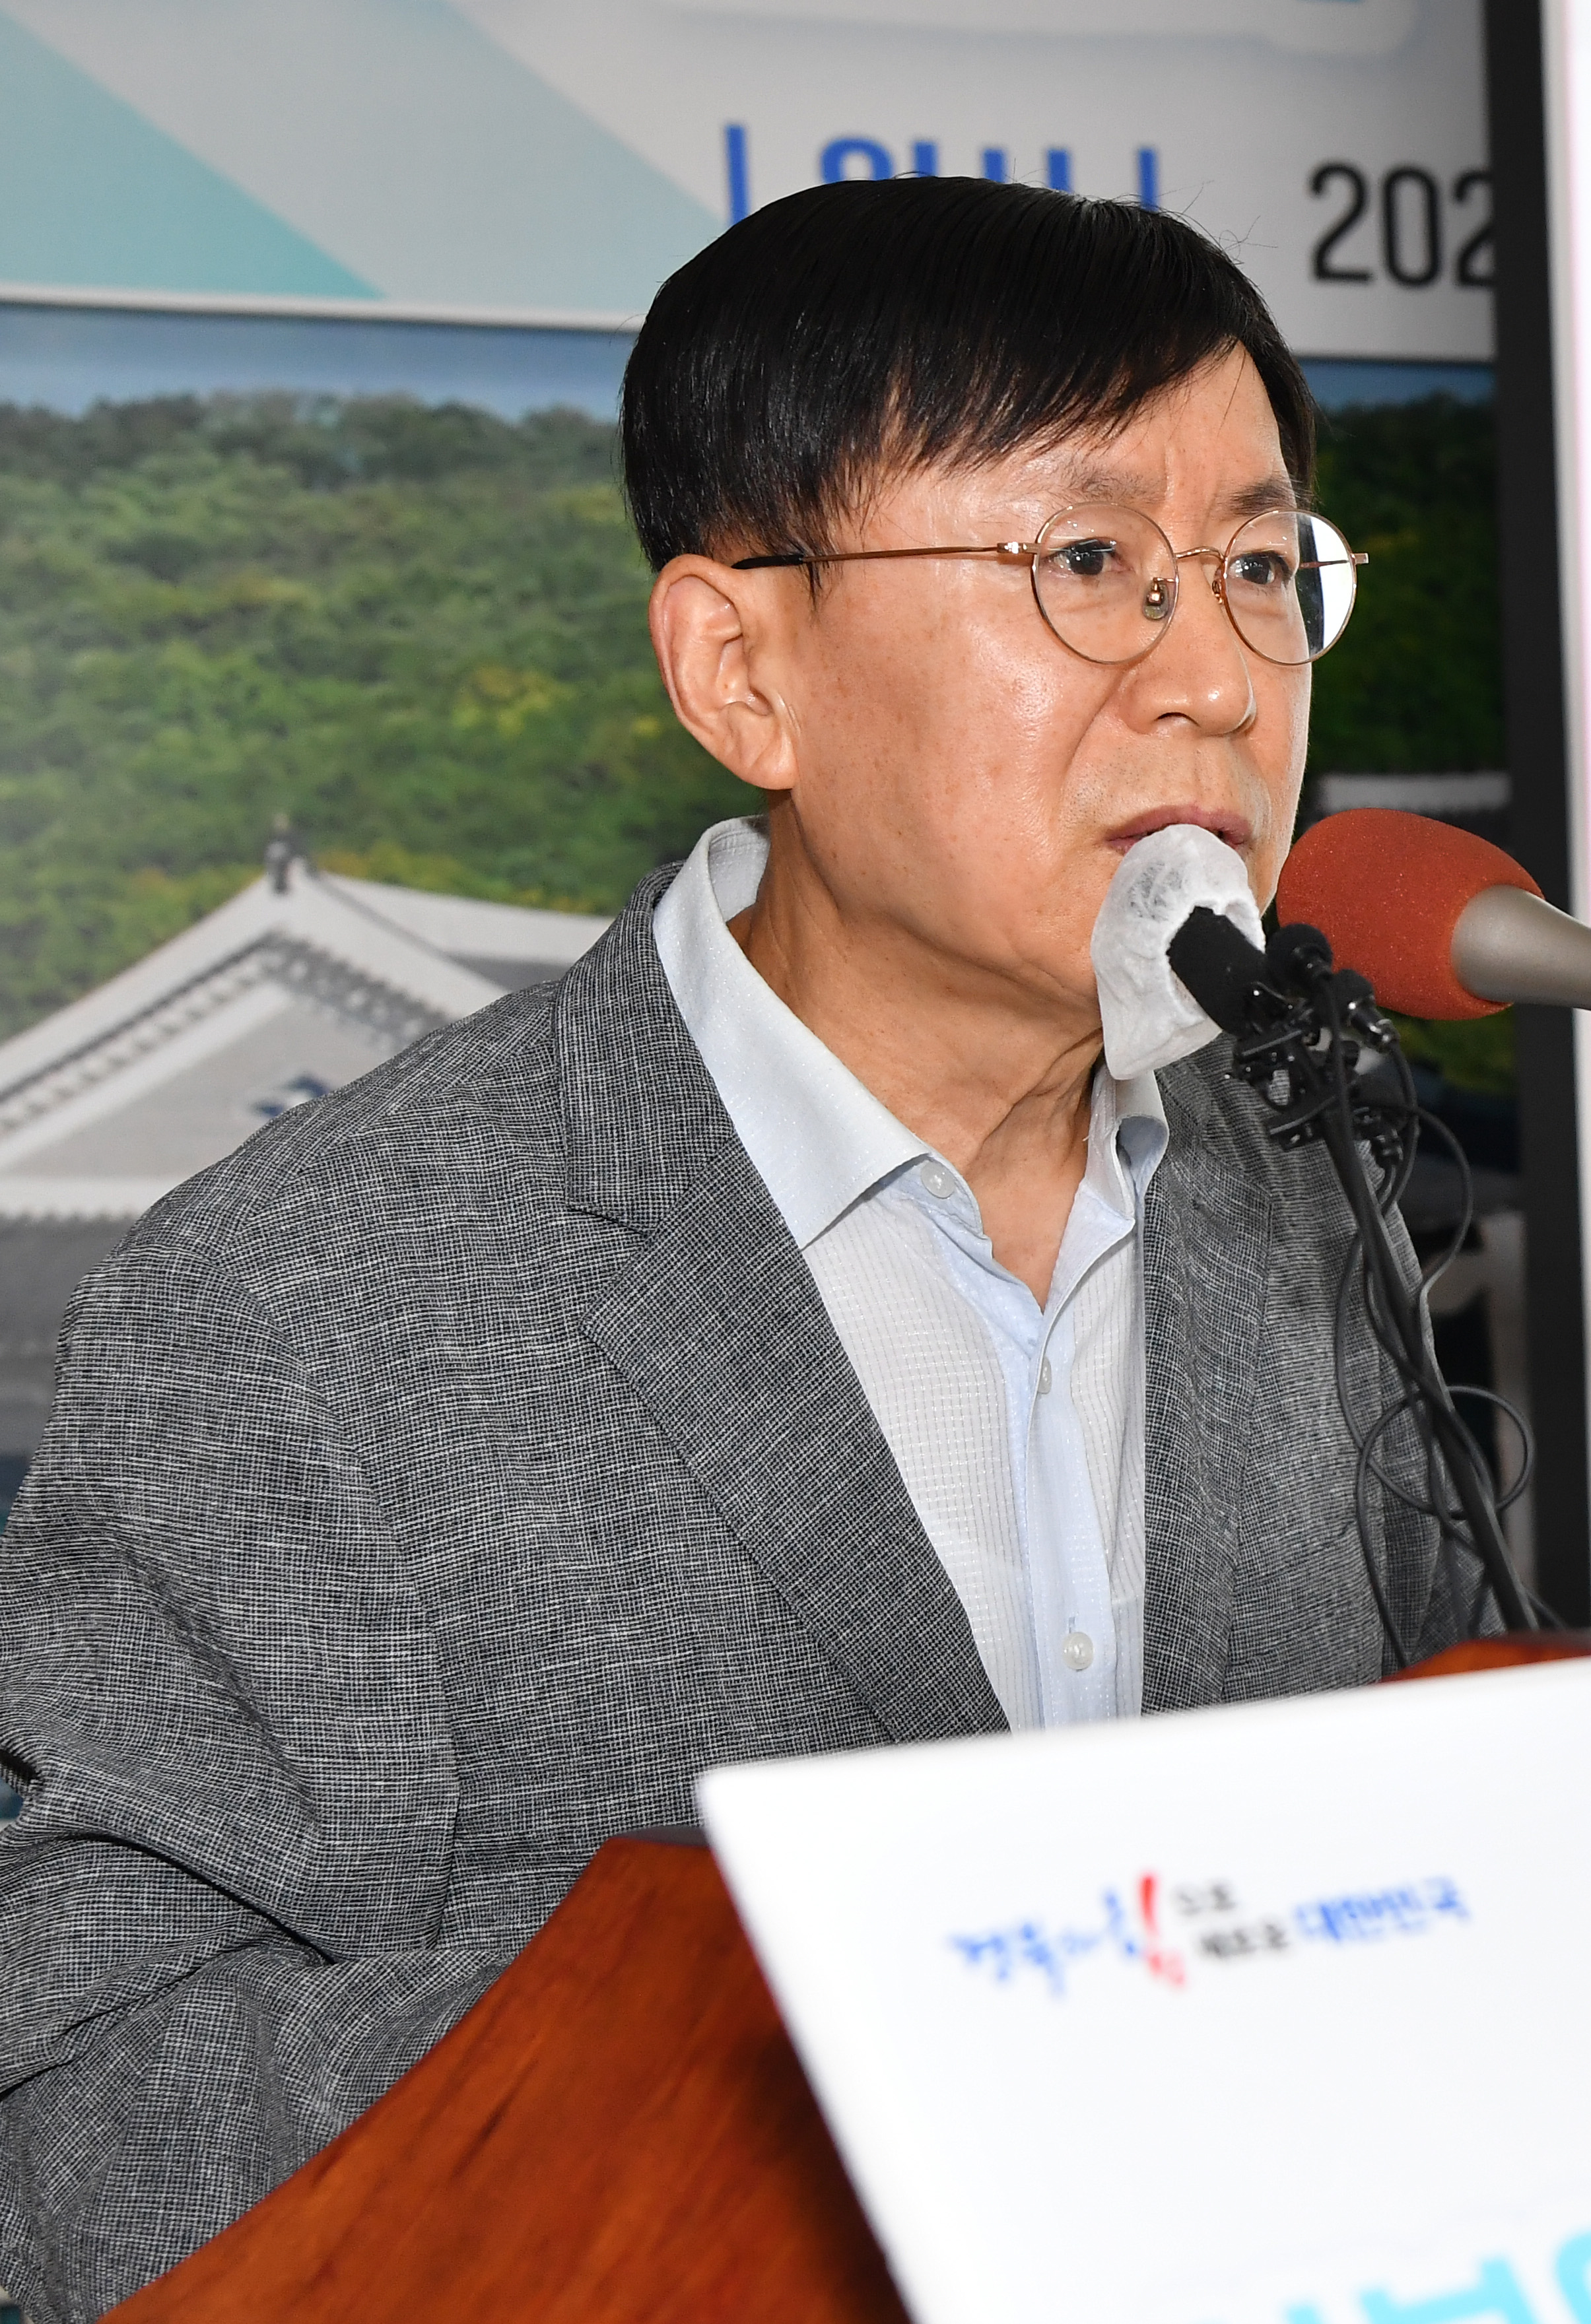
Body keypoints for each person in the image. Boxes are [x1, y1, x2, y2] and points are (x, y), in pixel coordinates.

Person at [0, 177, 1494, 2320]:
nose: (1215, 681)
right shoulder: (309, 1300)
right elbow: (87, 2128)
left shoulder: (1303, 1188)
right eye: (1090, 564)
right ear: (742, 671)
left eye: (1260, 570)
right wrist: (840, 2027)